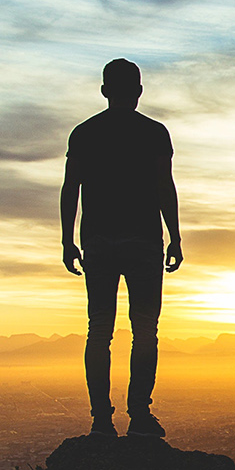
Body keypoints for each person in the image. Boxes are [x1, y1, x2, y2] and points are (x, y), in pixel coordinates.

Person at [61, 58, 183, 438]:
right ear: (139, 92)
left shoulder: (84, 133)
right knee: (144, 329)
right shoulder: (154, 133)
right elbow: (165, 186)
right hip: (144, 241)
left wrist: (67, 240)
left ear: (104, 91)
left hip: (97, 242)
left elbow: (71, 189)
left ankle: (101, 419)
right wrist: (175, 237)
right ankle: (140, 416)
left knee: (99, 330)